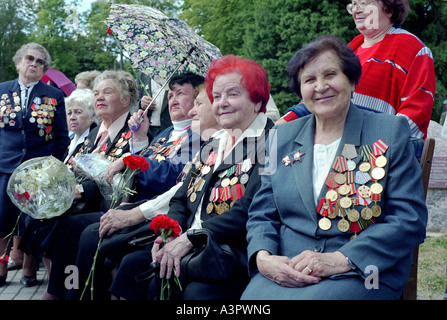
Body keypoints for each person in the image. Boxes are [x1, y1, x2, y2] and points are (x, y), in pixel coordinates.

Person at [241, 35, 427, 300]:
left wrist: (339, 260)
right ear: (300, 91)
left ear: (351, 80)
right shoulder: (280, 138)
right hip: (287, 268)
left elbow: (409, 218)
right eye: (309, 80)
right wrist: (263, 258)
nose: (321, 86)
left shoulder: (388, 131)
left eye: (330, 74)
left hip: (361, 270)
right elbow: (262, 213)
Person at [49, 72, 204, 300]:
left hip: (156, 211)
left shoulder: (196, 135)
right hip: (130, 203)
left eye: (181, 94)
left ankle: (77, 295)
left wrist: (133, 160)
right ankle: (60, 291)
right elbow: (142, 166)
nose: (172, 100)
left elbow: (171, 177)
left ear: (197, 100)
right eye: (170, 95)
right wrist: (140, 138)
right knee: (67, 227)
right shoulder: (166, 133)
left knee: (91, 233)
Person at [136, 54, 275, 300]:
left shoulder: (271, 141)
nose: (221, 103)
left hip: (230, 252)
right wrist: (170, 234)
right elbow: (180, 199)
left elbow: (250, 207)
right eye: (216, 96)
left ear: (256, 100)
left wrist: (194, 236)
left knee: (195, 294)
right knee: (153, 280)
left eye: (232, 94)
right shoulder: (213, 142)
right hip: (191, 245)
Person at [279, 0, 435, 158]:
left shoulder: (414, 49)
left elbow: (414, 117)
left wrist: (365, 150)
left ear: (389, 9)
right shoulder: (350, 50)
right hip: (337, 150)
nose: (356, 10)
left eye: (364, 3)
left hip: (378, 158)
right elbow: (319, 98)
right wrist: (279, 126)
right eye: (353, 5)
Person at [0, 43, 70, 287]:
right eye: (30, 58)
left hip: (39, 171)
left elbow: (62, 136)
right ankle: (1, 270)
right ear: (18, 62)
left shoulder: (55, 96)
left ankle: (29, 270)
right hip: (5, 167)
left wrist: (53, 167)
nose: (34, 63)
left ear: (44, 70)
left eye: (40, 62)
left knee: (33, 220)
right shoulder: (1, 91)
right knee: (2, 222)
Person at [63, 88, 97, 164]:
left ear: (92, 116)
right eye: (69, 113)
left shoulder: (95, 140)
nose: (72, 117)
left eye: (78, 112)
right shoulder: (70, 140)